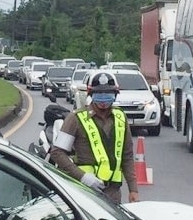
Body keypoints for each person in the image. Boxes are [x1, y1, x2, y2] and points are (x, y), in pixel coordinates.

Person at [50, 69, 139, 204]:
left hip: (113, 192)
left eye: (108, 95)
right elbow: (57, 153)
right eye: (99, 95)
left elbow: (127, 155)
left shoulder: (120, 117)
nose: (103, 100)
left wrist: (133, 189)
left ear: (115, 95)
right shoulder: (76, 118)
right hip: (85, 190)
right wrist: (83, 177)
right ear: (91, 95)